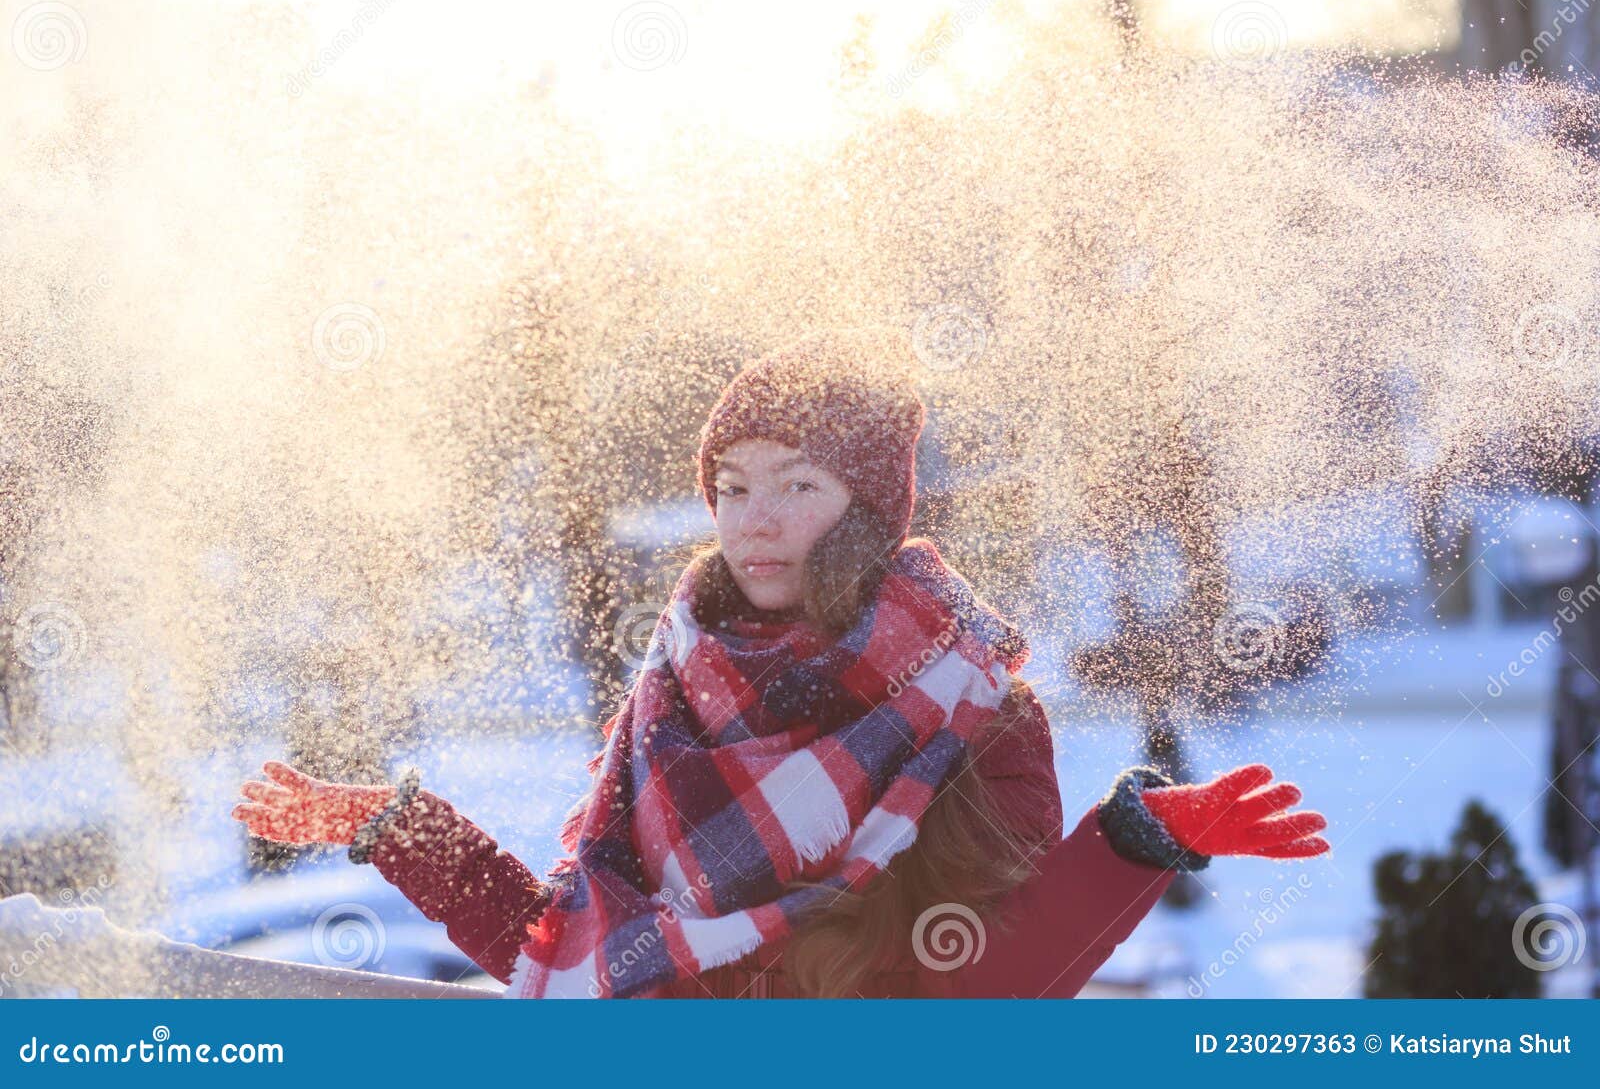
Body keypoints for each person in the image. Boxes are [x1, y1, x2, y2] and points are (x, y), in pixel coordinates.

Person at [232, 337, 1329, 998]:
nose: (754, 521)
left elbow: (979, 996)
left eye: (797, 484)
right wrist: (404, 832)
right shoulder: (672, 688)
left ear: (867, 505)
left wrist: (1135, 844)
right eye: (732, 486)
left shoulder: (970, 714)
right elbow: (587, 947)